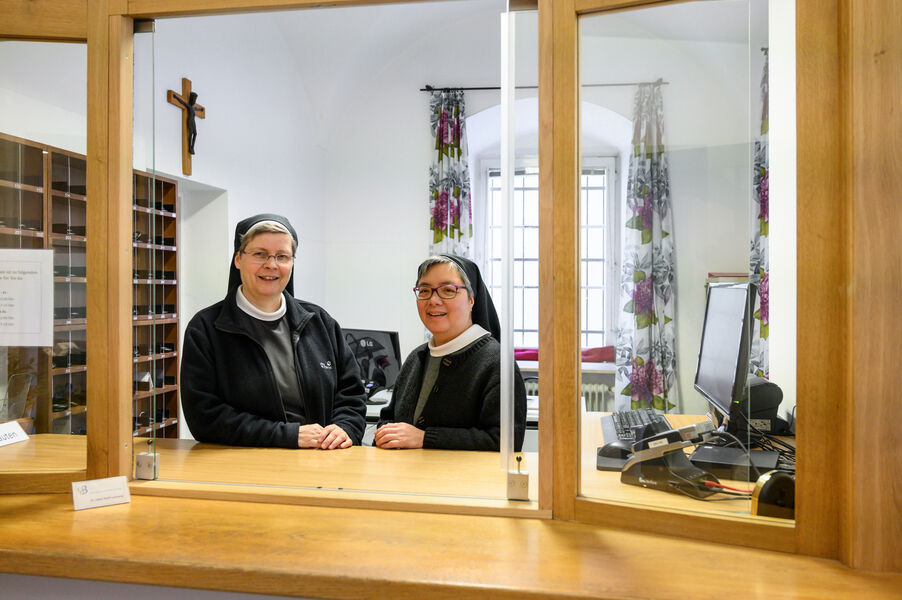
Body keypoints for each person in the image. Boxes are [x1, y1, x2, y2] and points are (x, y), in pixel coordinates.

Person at [180, 213, 366, 449]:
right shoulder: (206, 329)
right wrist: (286, 435)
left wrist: (345, 427)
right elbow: (204, 417)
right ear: (238, 259)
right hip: (245, 466)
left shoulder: (319, 322)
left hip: (322, 462)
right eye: (260, 254)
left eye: (282, 256)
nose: (271, 265)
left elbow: (351, 392)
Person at [374, 255, 526, 451]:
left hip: (463, 481)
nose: (433, 300)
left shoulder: (497, 364)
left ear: (472, 300)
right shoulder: (416, 358)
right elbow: (389, 418)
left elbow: (505, 442)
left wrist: (425, 438)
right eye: (425, 291)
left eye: (448, 290)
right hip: (409, 478)